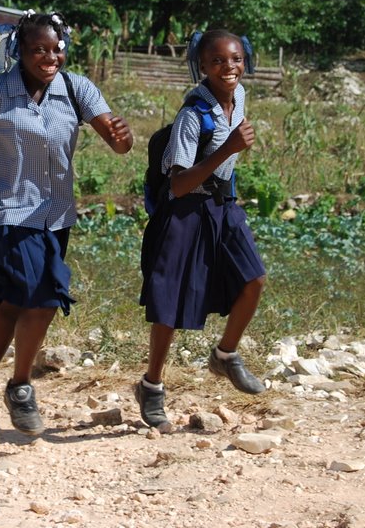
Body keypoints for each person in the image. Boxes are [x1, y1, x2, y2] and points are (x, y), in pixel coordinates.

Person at [0, 11, 133, 437]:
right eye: (38, 49)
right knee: (42, 296)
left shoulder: (77, 89)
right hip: (6, 213)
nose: (49, 57)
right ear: (19, 52)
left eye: (55, 48)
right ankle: (21, 385)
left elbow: (118, 143)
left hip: (56, 215)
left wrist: (123, 136)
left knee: (11, 306)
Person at [136, 29, 268, 430]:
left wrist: (228, 157)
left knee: (254, 280)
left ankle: (225, 355)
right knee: (170, 305)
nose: (228, 68)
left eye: (236, 59)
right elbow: (177, 183)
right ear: (202, 66)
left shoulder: (239, 97)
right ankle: (152, 386)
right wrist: (228, 149)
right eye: (217, 61)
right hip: (185, 211)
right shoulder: (192, 116)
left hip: (222, 206)